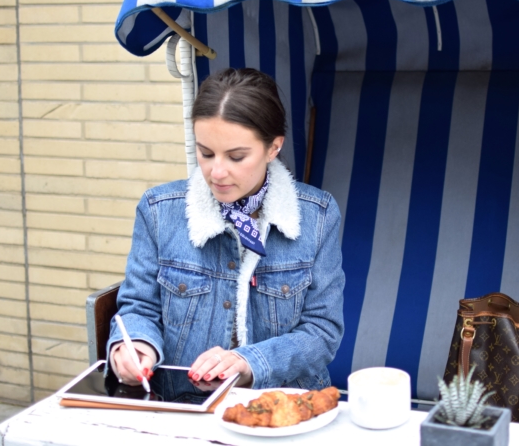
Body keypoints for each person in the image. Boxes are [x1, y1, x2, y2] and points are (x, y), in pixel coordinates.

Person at [106, 68, 345, 402]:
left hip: (285, 411)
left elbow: (322, 331)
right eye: (205, 153)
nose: (216, 172)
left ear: (273, 147)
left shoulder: (318, 216)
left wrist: (250, 362)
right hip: (186, 412)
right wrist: (135, 348)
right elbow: (138, 308)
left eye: (236, 156)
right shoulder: (159, 210)